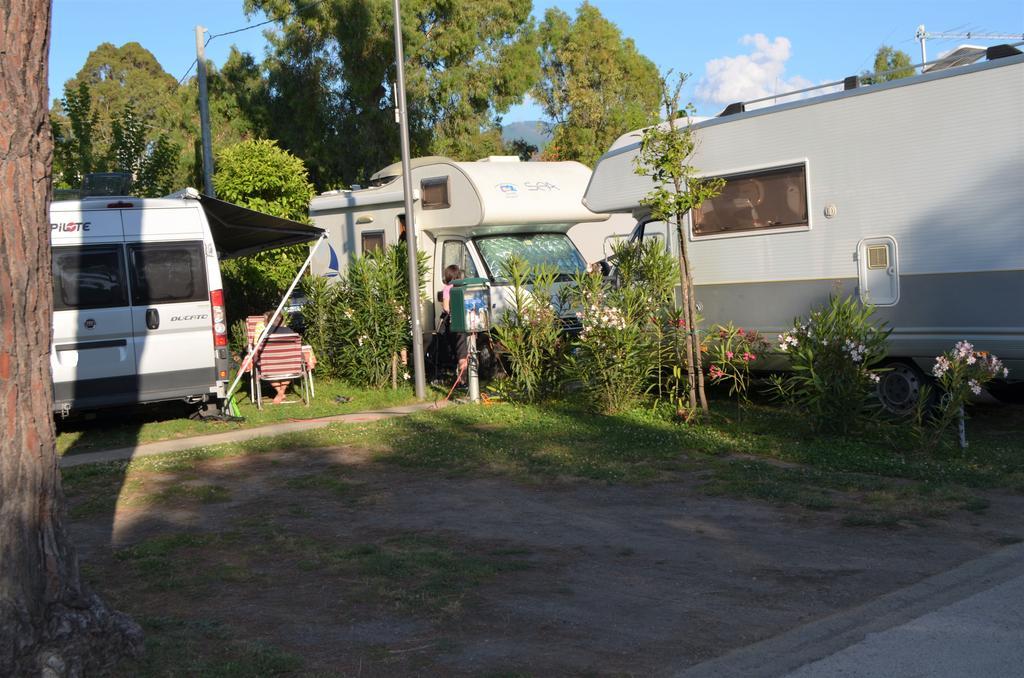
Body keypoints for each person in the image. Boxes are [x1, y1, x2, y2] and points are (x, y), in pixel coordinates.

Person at [442, 264, 469, 378]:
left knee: (460, 351)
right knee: (467, 350)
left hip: (455, 322)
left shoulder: (448, 288)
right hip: (469, 321)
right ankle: (467, 379)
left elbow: (446, 307)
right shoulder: (464, 286)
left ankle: (462, 380)